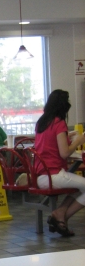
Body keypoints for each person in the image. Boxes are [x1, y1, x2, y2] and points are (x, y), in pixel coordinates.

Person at [33, 90, 85, 237]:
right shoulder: (59, 123)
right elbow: (64, 153)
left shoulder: (42, 122)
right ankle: (61, 216)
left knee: (79, 186)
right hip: (54, 175)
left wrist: (69, 135)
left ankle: (60, 213)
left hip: (41, 176)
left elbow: (51, 143)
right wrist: (78, 141)